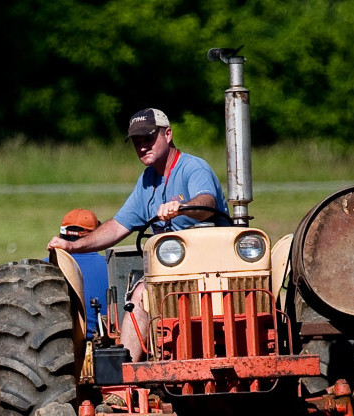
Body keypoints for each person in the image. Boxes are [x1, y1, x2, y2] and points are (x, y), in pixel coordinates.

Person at [45, 108, 228, 360]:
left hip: (214, 268)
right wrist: (73, 246)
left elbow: (208, 203)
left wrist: (182, 208)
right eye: (137, 142)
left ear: (168, 134)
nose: (142, 147)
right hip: (171, 273)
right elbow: (118, 226)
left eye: (149, 139)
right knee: (139, 294)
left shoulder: (193, 168)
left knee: (143, 292)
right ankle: (125, 381)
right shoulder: (148, 181)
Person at [48, 208, 110, 338]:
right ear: (97, 237)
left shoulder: (44, 267)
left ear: (60, 236)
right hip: (105, 345)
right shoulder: (111, 266)